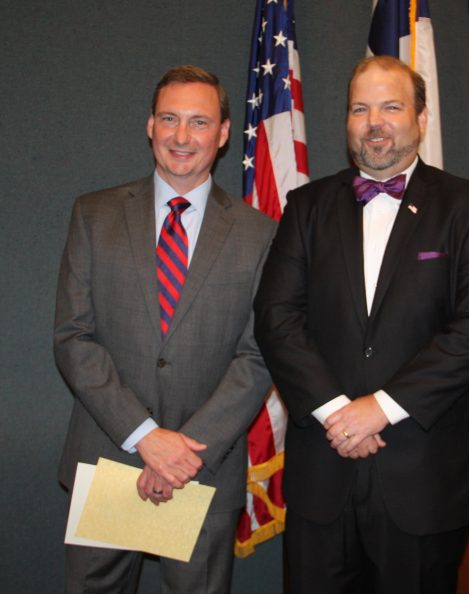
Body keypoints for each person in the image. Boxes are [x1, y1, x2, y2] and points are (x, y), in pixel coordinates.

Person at [253, 55, 469, 594]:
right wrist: (337, 412)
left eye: (391, 107)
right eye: (360, 108)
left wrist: (380, 409)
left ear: (421, 118)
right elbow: (277, 319)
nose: (375, 122)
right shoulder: (306, 207)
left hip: (424, 478)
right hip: (323, 472)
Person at [54, 65, 275, 593]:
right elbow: (73, 338)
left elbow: (259, 354)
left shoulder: (261, 234)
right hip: (109, 456)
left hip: (202, 471)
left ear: (223, 134)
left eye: (199, 122)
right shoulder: (94, 215)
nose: (182, 136)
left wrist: (181, 452)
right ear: (150, 125)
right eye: (170, 119)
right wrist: (146, 437)